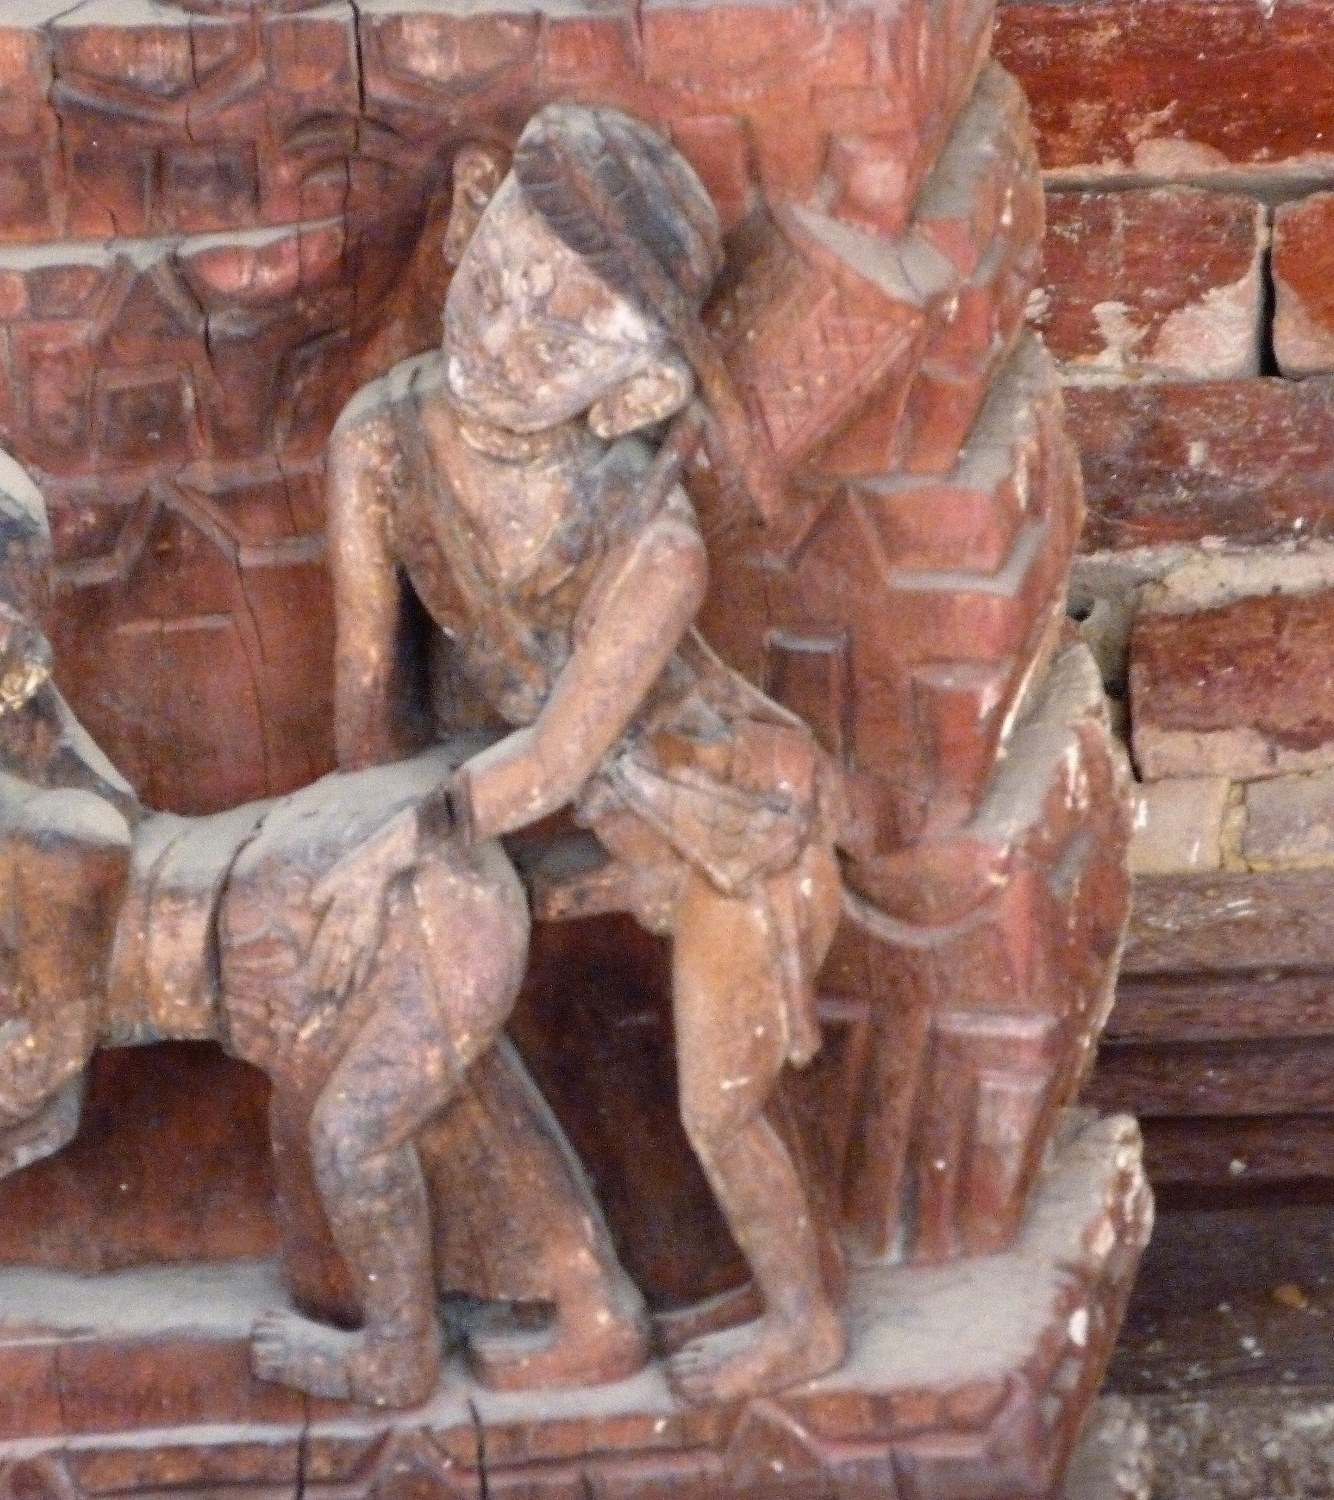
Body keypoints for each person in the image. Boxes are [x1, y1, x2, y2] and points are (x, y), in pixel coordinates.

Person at [0, 427, 648, 1411]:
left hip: (272, 906)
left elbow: (50, 1043)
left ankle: (415, 1350)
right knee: (431, 1099)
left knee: (375, 1126)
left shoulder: (55, 841)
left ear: (4, 684)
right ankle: (587, 1308)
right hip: (269, 924)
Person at [322, 103, 847, 1405]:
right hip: (537, 809)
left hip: (725, 824)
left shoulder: (655, 550)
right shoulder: (379, 445)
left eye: (563, 334)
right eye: (499, 281)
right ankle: (550, 1277)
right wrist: (365, 833)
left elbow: (555, 762)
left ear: (637, 390)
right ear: (470, 220)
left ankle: (806, 1323)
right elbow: (365, 705)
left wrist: (402, 837)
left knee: (718, 1109)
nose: (502, 337)